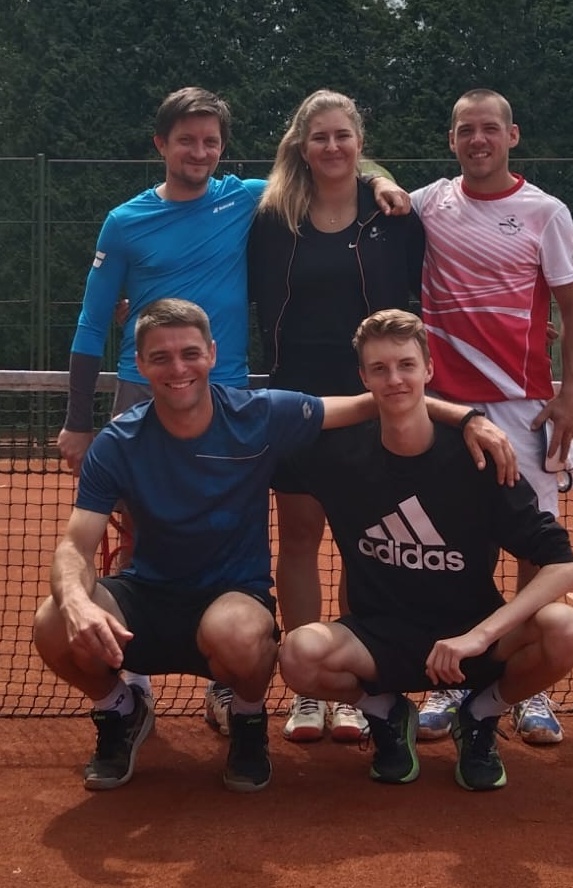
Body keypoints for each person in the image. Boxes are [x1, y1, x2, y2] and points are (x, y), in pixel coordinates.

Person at [33, 298, 515, 794]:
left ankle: (248, 720)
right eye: (161, 357)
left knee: (238, 631)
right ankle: (120, 710)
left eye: (190, 353)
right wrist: (76, 604)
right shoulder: (118, 441)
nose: (178, 368)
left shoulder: (258, 415)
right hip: (146, 595)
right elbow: (75, 544)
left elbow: (380, 399)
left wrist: (467, 418)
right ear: (140, 363)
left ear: (212, 354)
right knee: (53, 620)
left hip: (232, 599)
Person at [55, 85, 407, 716]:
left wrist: (381, 178)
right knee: (139, 534)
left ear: (222, 147)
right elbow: (90, 324)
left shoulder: (247, 198)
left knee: (231, 529)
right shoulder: (125, 221)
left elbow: (328, 163)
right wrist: (78, 422)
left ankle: (226, 675)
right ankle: (134, 674)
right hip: (145, 385)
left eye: (210, 141)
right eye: (186, 141)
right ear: (161, 145)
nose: (199, 152)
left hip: (231, 389)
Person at [279, 309, 573, 792]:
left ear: (429, 370)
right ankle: (387, 713)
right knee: (298, 654)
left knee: (564, 628)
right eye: (379, 369)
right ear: (363, 379)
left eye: (406, 365)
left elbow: (564, 568)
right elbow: (266, 427)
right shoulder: (336, 455)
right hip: (378, 640)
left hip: (470, 640)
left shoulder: (480, 459)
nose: (394, 379)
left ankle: (479, 715)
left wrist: (478, 637)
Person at [410, 88, 573, 745]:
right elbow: (363, 176)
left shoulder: (546, 212)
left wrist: (571, 394)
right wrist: (377, 181)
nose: (478, 140)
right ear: (451, 139)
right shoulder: (428, 202)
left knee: (536, 550)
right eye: (466, 130)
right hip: (446, 409)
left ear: (512, 135)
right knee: (452, 546)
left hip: (525, 408)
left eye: (490, 128)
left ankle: (528, 688)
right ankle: (453, 679)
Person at [248, 88, 426, 743]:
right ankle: (307, 685)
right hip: (295, 401)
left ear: (359, 143)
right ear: (301, 145)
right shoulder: (271, 217)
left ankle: (349, 680)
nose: (331, 147)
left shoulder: (393, 216)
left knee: (361, 540)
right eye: (319, 137)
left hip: (372, 401)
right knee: (298, 536)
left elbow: (421, 293)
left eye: (342, 136)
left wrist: (381, 180)